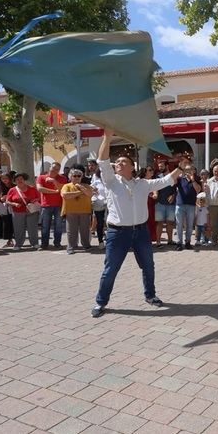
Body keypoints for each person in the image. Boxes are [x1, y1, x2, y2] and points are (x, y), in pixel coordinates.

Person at [91, 129, 182, 318]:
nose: (118, 163)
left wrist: (180, 167)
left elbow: (166, 180)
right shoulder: (111, 181)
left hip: (140, 232)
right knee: (110, 269)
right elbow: (102, 161)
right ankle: (100, 302)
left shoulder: (143, 184)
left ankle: (150, 295)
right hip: (117, 233)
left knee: (148, 266)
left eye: (123, 161)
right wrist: (107, 138)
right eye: (117, 161)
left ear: (132, 167)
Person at [60, 168, 94, 254]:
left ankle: (86, 245)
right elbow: (65, 195)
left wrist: (81, 188)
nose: (76, 177)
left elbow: (90, 194)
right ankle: (71, 246)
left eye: (79, 176)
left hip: (85, 211)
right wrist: (80, 192)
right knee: (71, 230)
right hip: (71, 211)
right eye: (74, 176)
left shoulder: (86, 186)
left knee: (85, 229)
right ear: (70, 177)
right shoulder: (66, 186)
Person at [4, 173, 41, 250]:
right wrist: (14, 204)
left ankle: (35, 243)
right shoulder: (12, 190)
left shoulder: (32, 188)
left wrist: (35, 200)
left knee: (32, 228)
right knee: (18, 228)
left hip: (31, 211)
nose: (20, 181)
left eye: (21, 179)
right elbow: (7, 201)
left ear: (24, 180)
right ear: (15, 181)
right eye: (17, 179)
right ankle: (18, 244)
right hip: (17, 212)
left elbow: (39, 197)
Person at [36, 161, 68, 250]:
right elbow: (40, 189)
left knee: (58, 226)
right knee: (45, 226)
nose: (55, 171)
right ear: (50, 167)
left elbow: (62, 188)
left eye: (57, 169)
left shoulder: (62, 178)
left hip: (59, 205)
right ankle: (44, 244)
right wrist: (54, 192)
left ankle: (57, 243)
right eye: (53, 168)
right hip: (45, 205)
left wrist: (54, 181)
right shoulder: (41, 177)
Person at [175, 164, 201, 251]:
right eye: (186, 170)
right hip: (180, 204)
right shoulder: (180, 179)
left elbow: (198, 189)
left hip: (191, 205)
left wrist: (193, 180)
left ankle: (188, 242)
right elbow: (172, 184)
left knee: (190, 225)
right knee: (179, 225)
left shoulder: (196, 180)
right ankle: (179, 243)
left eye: (190, 170)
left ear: (193, 171)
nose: (188, 172)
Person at [154, 159, 177, 248]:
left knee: (170, 223)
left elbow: (176, 189)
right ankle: (158, 242)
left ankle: (170, 240)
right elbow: (155, 187)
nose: (160, 168)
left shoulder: (172, 176)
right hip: (159, 203)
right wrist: (155, 193)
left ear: (167, 166)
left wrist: (173, 195)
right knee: (159, 223)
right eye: (159, 166)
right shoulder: (157, 176)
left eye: (161, 166)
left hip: (171, 204)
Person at [90, 162, 107, 248]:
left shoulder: (111, 179)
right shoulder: (95, 178)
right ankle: (100, 241)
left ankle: (109, 240)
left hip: (109, 203)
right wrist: (93, 190)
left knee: (109, 223)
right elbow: (91, 187)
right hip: (98, 203)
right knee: (100, 223)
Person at [0, 173, 14, 248]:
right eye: (2, 179)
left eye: (6, 178)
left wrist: (9, 198)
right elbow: (0, 198)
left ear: (9, 178)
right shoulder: (1, 187)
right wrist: (1, 199)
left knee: (15, 224)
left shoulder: (14, 186)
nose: (4, 180)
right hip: (5, 208)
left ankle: (18, 240)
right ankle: (9, 241)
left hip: (14, 207)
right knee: (7, 224)